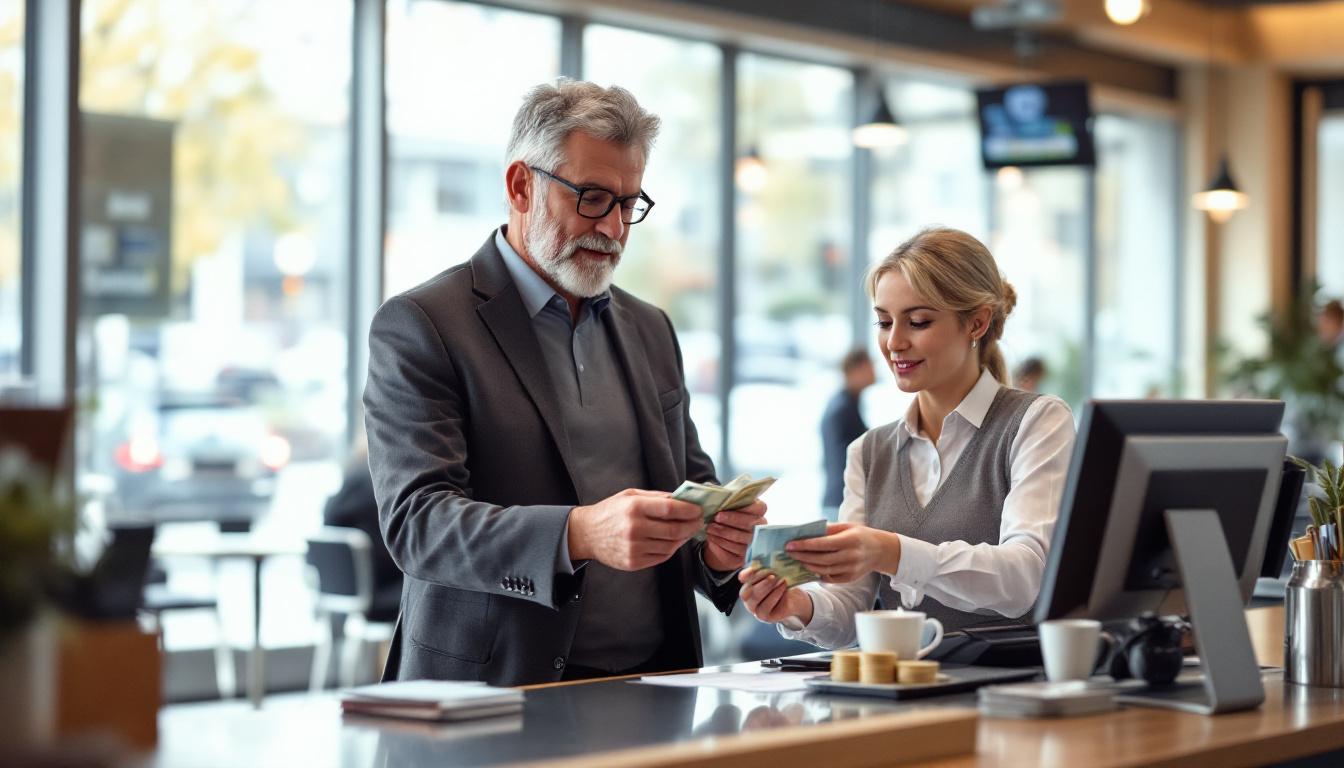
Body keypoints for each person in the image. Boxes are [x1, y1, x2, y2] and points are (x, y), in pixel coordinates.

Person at [363, 80, 766, 686]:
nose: (614, 228)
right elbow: (418, 523)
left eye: (630, 203)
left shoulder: (650, 327)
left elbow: (689, 487)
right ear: (521, 186)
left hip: (656, 686)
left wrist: (715, 547)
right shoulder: (424, 324)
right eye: (594, 197)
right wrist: (578, 534)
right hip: (494, 694)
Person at [738, 227, 1076, 647]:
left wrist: (890, 551)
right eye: (883, 322)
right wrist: (796, 606)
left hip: (1008, 695)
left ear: (977, 321)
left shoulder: (1037, 421)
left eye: (918, 322)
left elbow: (1025, 576)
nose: (894, 342)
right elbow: (852, 609)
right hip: (904, 697)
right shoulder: (869, 452)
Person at [820, 348, 875, 521]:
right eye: (870, 366)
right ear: (856, 369)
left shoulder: (844, 402)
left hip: (838, 498)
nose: (874, 372)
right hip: (842, 500)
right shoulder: (844, 408)